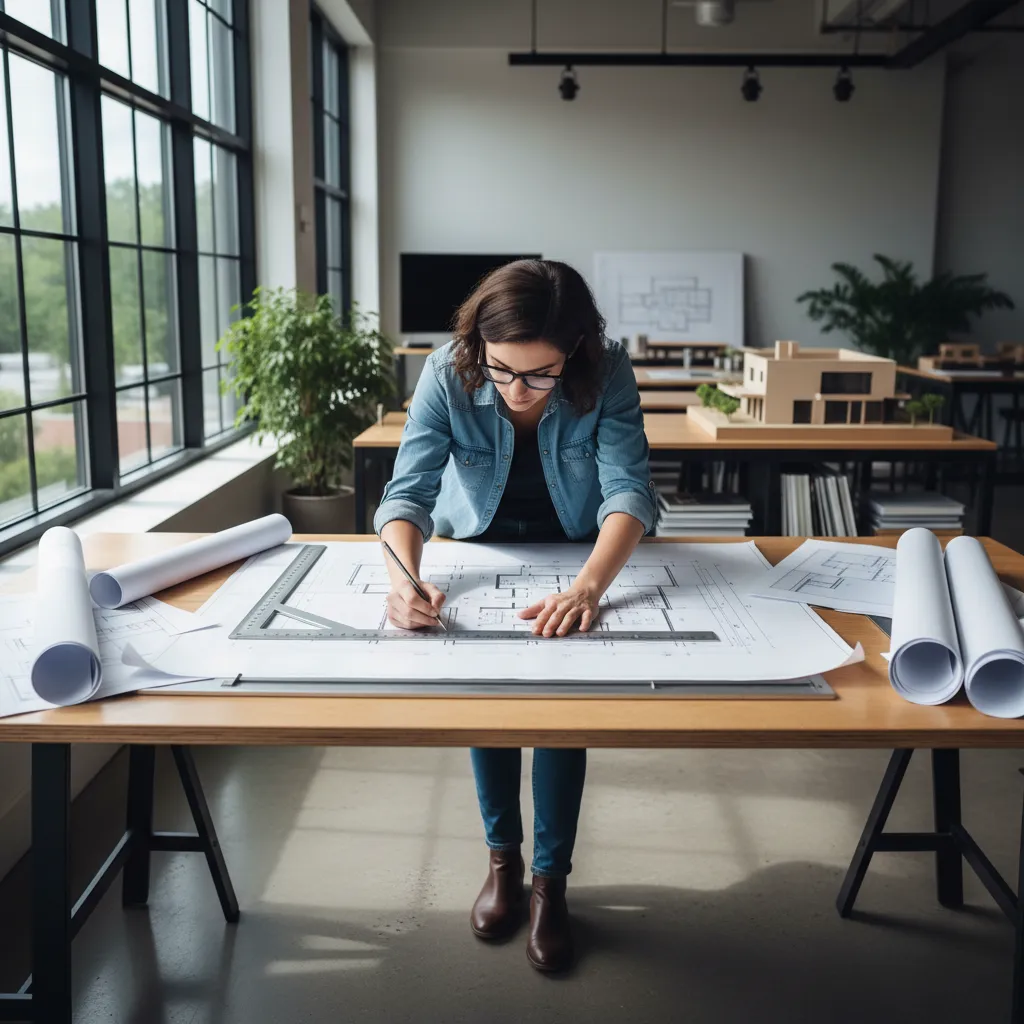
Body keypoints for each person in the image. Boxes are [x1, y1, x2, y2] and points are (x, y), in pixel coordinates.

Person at [374, 259, 655, 972]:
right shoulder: (447, 369)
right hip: (482, 547)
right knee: (488, 700)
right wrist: (405, 579)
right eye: (502, 371)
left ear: (577, 353)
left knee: (562, 706)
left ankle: (548, 885)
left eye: (540, 375)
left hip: (577, 550)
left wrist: (590, 587)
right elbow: (406, 493)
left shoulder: (609, 371)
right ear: (480, 346)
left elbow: (629, 490)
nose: (518, 392)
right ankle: (503, 863)